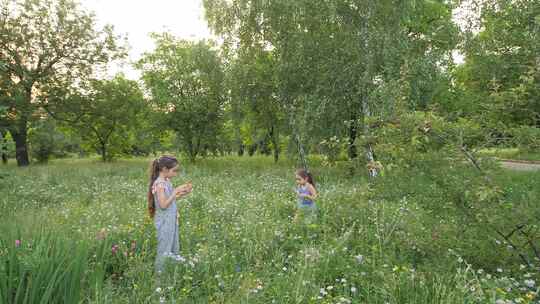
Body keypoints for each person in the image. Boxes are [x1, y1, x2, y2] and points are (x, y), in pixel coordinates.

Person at [147, 155, 192, 272]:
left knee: (172, 246)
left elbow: (170, 200)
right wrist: (175, 191)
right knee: (164, 249)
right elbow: (163, 205)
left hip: (171, 220)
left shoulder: (167, 181)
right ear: (164, 169)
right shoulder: (159, 184)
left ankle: (170, 272)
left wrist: (182, 192)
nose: (176, 173)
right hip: (164, 222)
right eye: (174, 170)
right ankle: (160, 276)